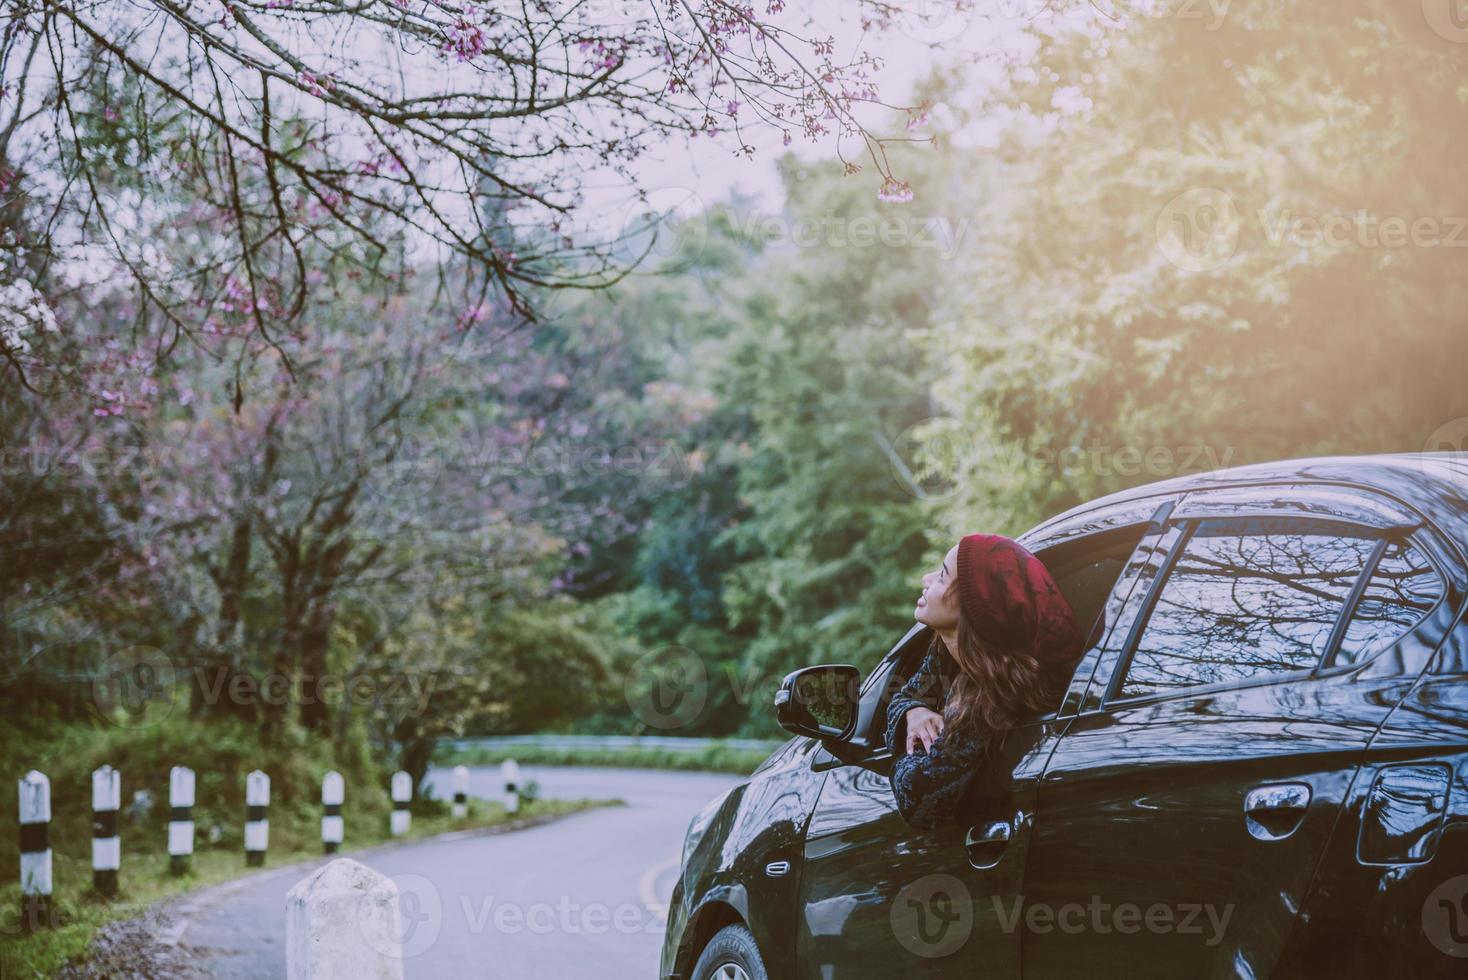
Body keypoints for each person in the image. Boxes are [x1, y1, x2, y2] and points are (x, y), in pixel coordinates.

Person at [885, 533, 1083, 828]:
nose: (926, 579)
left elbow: (917, 798)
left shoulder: (991, 701)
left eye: (941, 576)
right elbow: (904, 693)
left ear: (973, 606)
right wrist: (913, 713)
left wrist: (907, 750)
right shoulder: (947, 654)